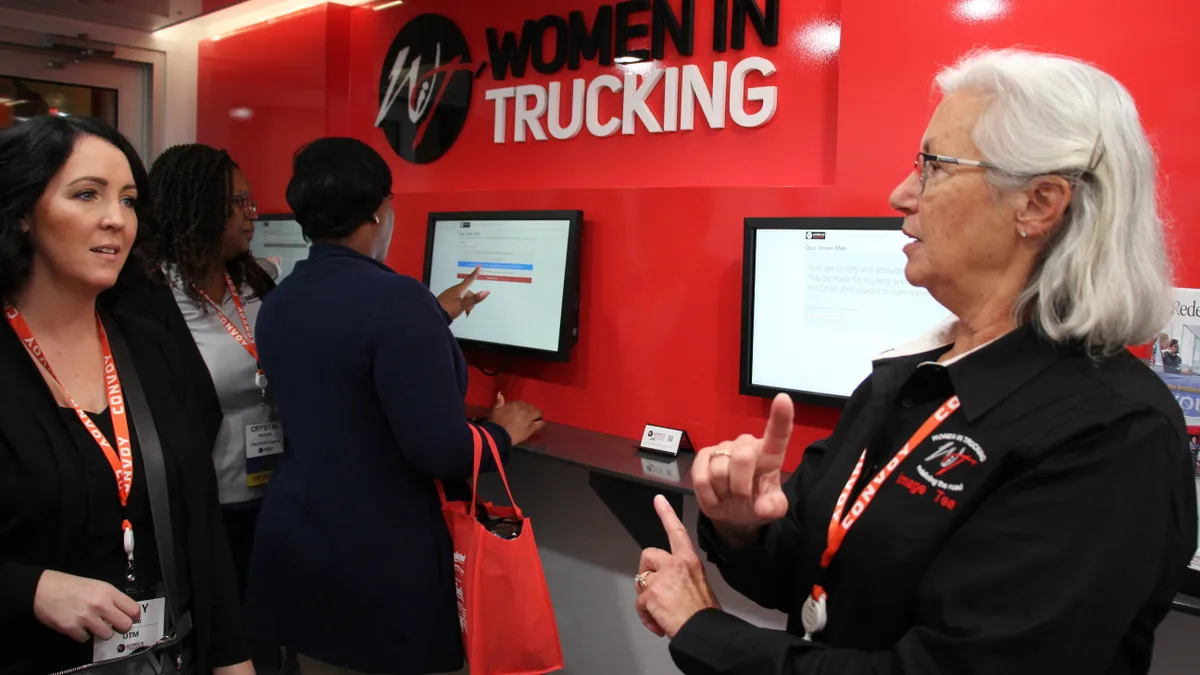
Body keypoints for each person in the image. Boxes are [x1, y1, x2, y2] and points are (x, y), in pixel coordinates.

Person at [632, 48, 1198, 675]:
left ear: (1038, 203)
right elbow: (821, 578)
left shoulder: (1112, 435)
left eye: (933, 166)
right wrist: (743, 528)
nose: (902, 193)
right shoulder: (913, 374)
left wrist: (703, 631)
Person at [244, 137, 546, 675]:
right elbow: (442, 452)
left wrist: (432, 316)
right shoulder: (399, 304)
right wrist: (503, 431)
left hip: (298, 546)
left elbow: (343, 364)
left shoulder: (282, 298)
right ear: (380, 210)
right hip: (378, 565)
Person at [0, 115, 253, 674]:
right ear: (21, 214)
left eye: (130, 200)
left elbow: (201, 531)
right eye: (87, 195)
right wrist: (27, 588)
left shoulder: (150, 349)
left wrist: (234, 662)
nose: (116, 219)